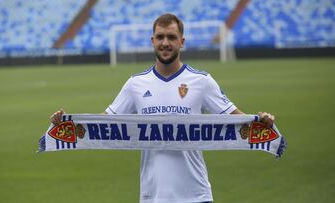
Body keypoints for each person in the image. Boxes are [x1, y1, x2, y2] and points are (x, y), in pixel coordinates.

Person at [51, 13, 275, 203]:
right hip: (153, 195)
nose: (165, 42)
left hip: (196, 195)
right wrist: (67, 125)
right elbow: (102, 125)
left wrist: (261, 121)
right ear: (152, 41)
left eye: (171, 37)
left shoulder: (202, 81)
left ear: (182, 42)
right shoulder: (135, 84)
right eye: (160, 37)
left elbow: (238, 120)